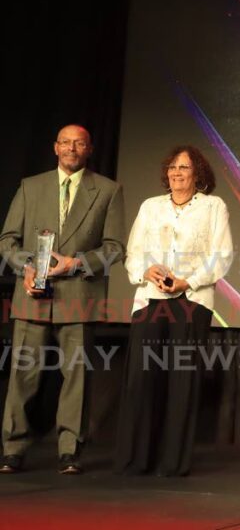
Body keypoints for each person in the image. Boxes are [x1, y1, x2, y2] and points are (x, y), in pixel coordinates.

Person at [0, 125, 125, 475]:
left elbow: (115, 248)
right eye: (66, 142)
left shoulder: (108, 190)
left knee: (77, 377)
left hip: (79, 295)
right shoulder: (31, 186)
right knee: (23, 374)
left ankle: (69, 450)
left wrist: (76, 263)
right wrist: (27, 267)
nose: (72, 148)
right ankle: (13, 448)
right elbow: (7, 241)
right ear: (56, 148)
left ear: (89, 149)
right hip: (32, 294)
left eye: (80, 143)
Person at [115, 145, 233, 476]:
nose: (177, 173)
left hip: (192, 301)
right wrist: (145, 271)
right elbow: (133, 253)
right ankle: (135, 460)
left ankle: (172, 463)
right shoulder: (151, 206)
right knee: (142, 379)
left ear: (199, 173)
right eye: (172, 167)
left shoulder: (213, 206)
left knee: (182, 381)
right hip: (149, 300)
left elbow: (222, 256)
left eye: (184, 167)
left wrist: (187, 281)